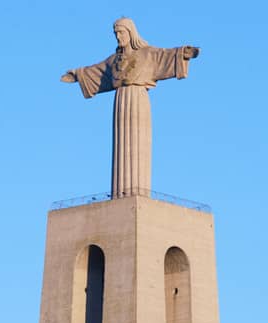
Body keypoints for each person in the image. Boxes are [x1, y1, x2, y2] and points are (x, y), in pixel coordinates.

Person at [61, 18, 199, 197]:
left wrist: (183, 53)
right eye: (116, 33)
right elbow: (96, 71)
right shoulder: (114, 61)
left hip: (138, 100)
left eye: (121, 32)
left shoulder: (147, 54)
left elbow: (165, 55)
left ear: (131, 33)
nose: (118, 37)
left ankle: (134, 195)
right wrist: (78, 75)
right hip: (120, 101)